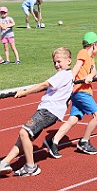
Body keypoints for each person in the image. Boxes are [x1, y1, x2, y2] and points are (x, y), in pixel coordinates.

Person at [0, 47, 73, 177]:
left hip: (48, 111)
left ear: (69, 61)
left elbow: (43, 85)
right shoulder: (67, 75)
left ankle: (31, 167)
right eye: (54, 62)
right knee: (23, 138)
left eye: (59, 61)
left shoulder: (63, 75)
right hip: (48, 111)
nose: (56, 65)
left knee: (24, 132)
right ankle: (4, 162)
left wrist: (25, 92)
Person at [44, 32, 97, 158]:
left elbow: (94, 71)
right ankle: (84, 142)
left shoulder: (91, 58)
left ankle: (53, 142)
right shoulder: (83, 53)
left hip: (81, 92)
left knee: (73, 119)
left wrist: (90, 76)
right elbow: (76, 68)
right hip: (81, 91)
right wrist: (70, 80)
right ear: (93, 45)